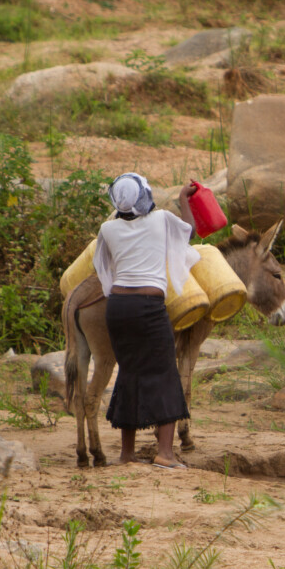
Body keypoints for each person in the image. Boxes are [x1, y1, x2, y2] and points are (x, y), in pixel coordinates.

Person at [93, 173, 199, 467]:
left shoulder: (107, 228)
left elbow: (102, 264)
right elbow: (190, 232)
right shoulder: (162, 219)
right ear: (145, 196)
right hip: (149, 307)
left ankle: (127, 454)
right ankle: (164, 453)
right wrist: (182, 200)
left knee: (129, 373)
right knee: (164, 373)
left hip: (118, 308)